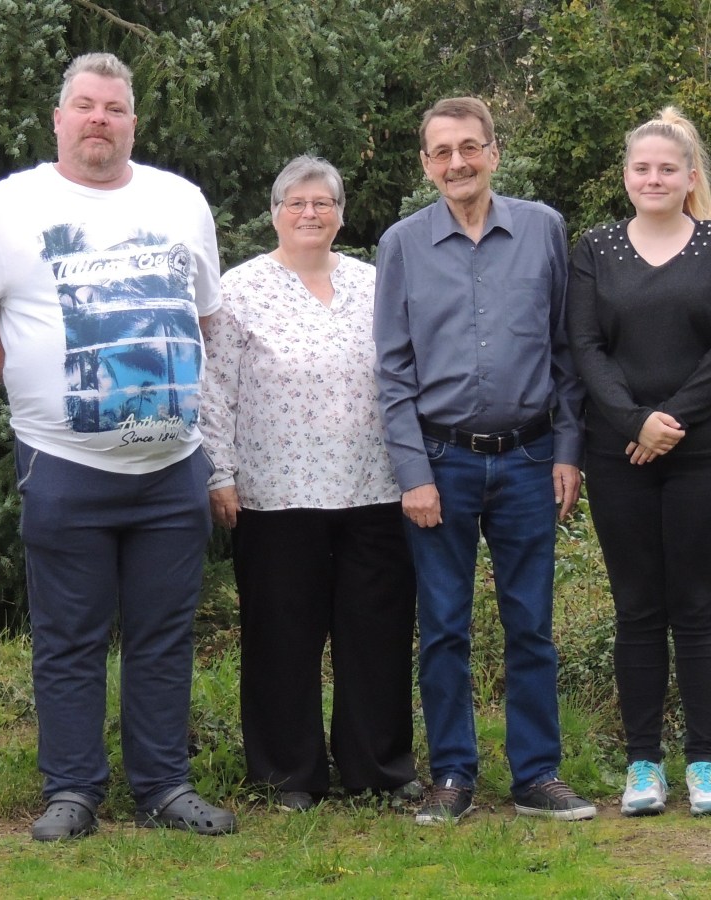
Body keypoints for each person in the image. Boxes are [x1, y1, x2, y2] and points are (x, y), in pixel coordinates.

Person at [0, 52, 235, 841]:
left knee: (163, 637)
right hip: (63, 466)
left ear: (133, 121)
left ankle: (164, 786)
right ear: (59, 119)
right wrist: (32, 389)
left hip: (172, 468)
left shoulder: (181, 201)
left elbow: (205, 314)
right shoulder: (9, 207)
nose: (99, 119)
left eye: (114, 107)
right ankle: (71, 791)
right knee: (67, 638)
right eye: (85, 106)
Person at [373, 96, 595, 824]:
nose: (457, 163)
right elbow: (394, 372)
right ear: (426, 164)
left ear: (495, 152)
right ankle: (454, 776)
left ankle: (537, 775)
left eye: (470, 147)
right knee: (443, 626)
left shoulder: (543, 230)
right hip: (443, 463)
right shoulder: (402, 245)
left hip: (532, 459)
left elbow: (566, 351)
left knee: (531, 622)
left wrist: (568, 450)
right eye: (442, 152)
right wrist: (414, 474)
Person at [201, 156, 419, 809]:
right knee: (280, 636)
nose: (309, 213)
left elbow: (405, 377)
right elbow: (213, 386)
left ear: (341, 214)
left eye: (323, 202)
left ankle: (376, 767)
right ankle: (286, 774)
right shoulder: (239, 290)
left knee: (376, 634)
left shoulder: (375, 284)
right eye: (296, 202)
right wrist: (220, 471)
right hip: (275, 492)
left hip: (375, 486)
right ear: (275, 213)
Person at [566, 107, 711, 818]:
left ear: (690, 176)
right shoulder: (595, 248)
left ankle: (705, 765)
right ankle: (644, 766)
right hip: (617, 453)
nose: (654, 178)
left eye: (667, 167)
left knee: (699, 608)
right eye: (641, 167)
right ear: (626, 176)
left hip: (701, 451)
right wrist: (633, 422)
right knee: (638, 610)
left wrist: (670, 422)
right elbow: (586, 347)